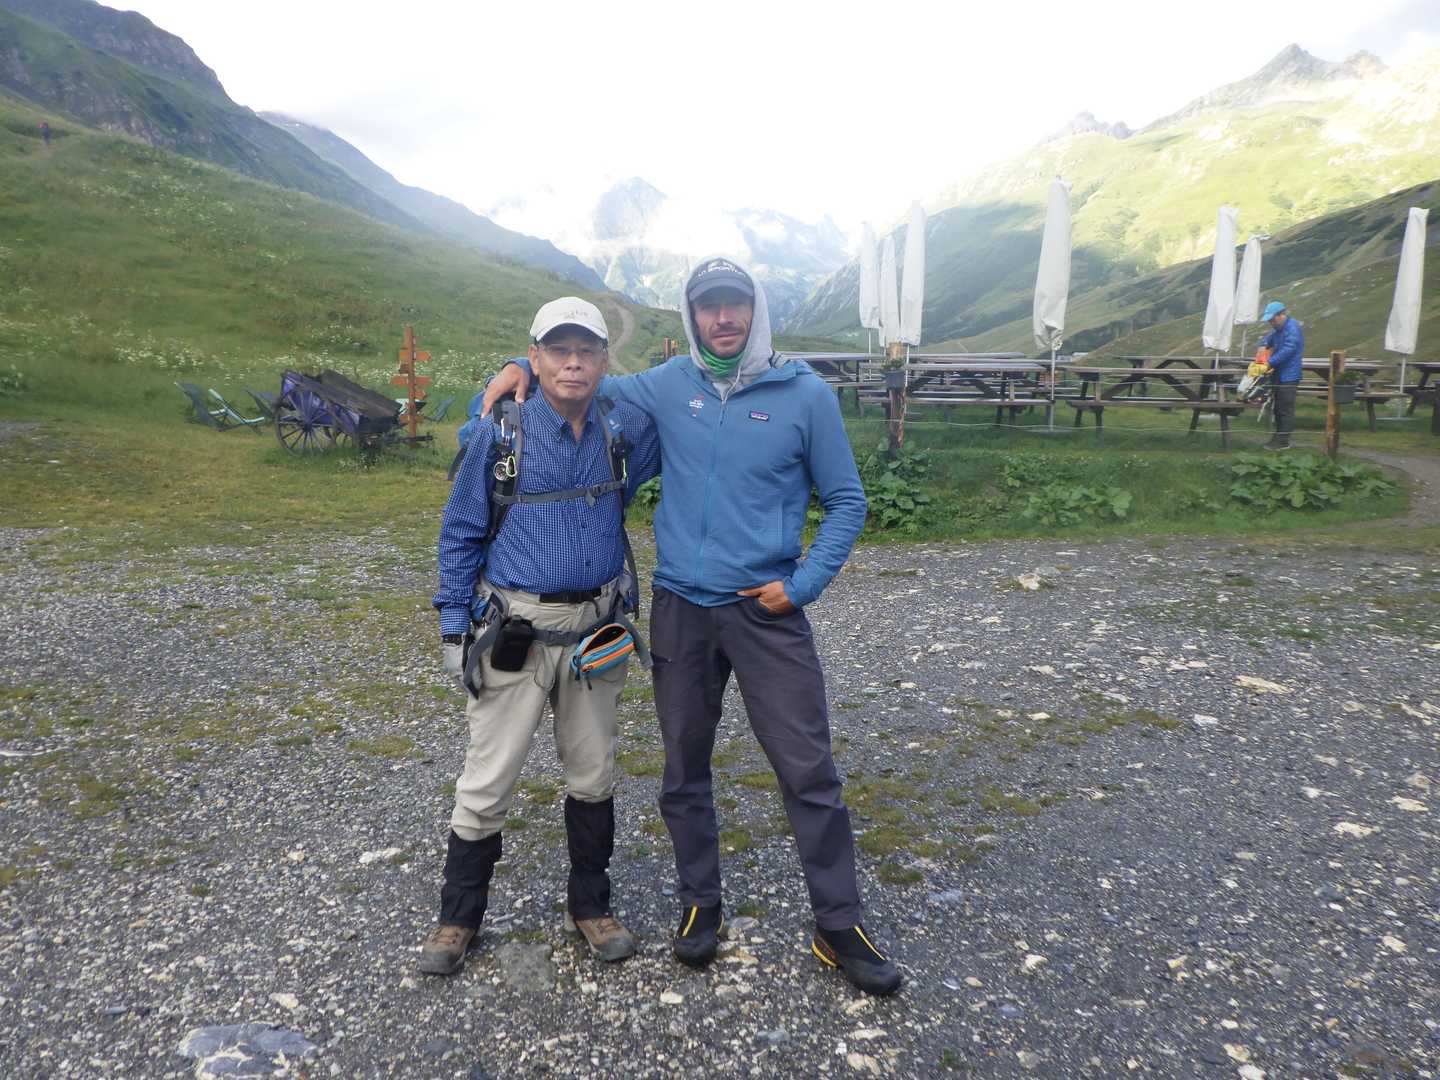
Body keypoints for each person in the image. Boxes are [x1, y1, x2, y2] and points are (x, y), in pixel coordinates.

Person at [482, 258, 901, 996]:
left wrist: (803, 585)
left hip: (766, 611)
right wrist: (518, 365)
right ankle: (699, 902)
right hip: (681, 606)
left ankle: (839, 924)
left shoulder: (804, 395)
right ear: (692, 315)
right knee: (684, 767)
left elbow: (847, 500)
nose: (723, 318)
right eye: (709, 306)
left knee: (807, 769)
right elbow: (578, 379)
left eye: (735, 304)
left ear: (755, 310)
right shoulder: (671, 384)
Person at [421, 297, 660, 975]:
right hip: (514, 633)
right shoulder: (501, 433)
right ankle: (457, 919)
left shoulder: (625, 431)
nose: (572, 364)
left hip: (598, 633)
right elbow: (460, 531)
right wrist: (452, 628)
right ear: (535, 357)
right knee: (487, 780)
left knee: (594, 773)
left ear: (605, 361)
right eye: (558, 350)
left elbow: (685, 409)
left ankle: (592, 906)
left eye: (586, 351)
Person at [1260, 299, 1304, 450]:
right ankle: (1278, 437)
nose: (1271, 323)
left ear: (1281, 315)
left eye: (1272, 319)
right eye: (1269, 320)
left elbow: (1289, 349)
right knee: (1278, 408)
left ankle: (1283, 440)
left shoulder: (1292, 328)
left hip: (1289, 375)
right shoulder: (1279, 329)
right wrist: (1263, 345)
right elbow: (1268, 339)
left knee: (1285, 408)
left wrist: (1270, 362)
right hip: (1279, 374)